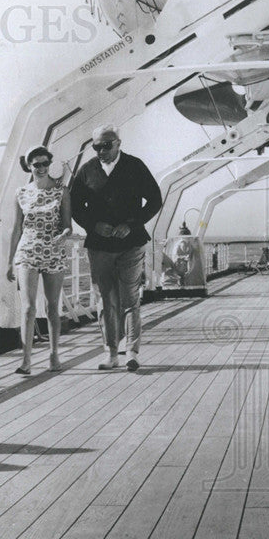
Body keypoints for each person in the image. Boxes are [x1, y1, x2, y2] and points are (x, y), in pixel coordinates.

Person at [70, 124, 163, 371]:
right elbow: (76, 207)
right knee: (106, 300)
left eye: (106, 145)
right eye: (96, 147)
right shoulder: (86, 171)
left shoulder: (135, 166)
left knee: (130, 300)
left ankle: (131, 352)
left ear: (118, 143)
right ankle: (111, 352)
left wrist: (132, 224)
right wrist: (94, 225)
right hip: (100, 245)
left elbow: (155, 199)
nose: (101, 151)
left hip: (131, 244)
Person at [6, 145, 71, 374]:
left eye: (45, 163)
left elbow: (67, 225)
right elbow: (16, 229)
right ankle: (26, 360)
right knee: (28, 308)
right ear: (29, 166)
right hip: (27, 252)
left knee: (53, 307)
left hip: (53, 251)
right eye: (37, 164)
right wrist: (9, 261)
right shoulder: (21, 193)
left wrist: (63, 235)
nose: (42, 168)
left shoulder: (61, 191)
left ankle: (54, 355)